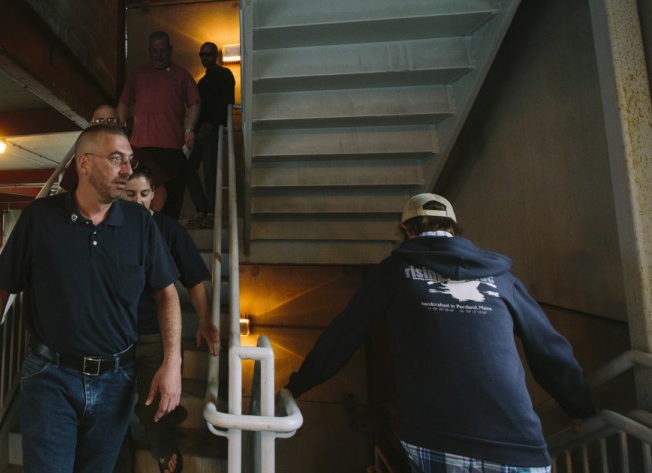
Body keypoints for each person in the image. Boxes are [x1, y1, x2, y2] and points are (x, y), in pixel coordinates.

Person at [284, 193, 595, 472]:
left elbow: (344, 335)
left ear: (406, 230)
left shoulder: (393, 273)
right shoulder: (502, 279)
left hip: (434, 437)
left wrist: (298, 385)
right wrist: (578, 408)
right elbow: (547, 347)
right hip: (516, 443)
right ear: (454, 228)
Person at [0, 125, 184, 473]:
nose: (127, 170)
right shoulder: (40, 218)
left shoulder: (141, 223)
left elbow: (167, 294)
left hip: (117, 381)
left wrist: (173, 363)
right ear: (83, 163)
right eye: (116, 159)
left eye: (129, 160)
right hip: (50, 377)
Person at [116, 168, 220, 473]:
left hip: (153, 336)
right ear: (119, 195)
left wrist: (204, 320)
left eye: (144, 194)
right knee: (109, 408)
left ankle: (163, 446)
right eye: (130, 194)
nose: (138, 201)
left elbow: (195, 280)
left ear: (154, 196)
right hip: (113, 336)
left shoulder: (169, 230)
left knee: (153, 403)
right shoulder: (107, 229)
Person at [118, 31, 201, 220]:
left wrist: (189, 129)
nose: (159, 54)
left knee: (172, 198)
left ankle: (166, 238)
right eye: (155, 51)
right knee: (140, 195)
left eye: (163, 50)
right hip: (142, 149)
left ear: (170, 50)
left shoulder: (181, 75)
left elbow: (195, 104)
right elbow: (123, 103)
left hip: (172, 149)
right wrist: (121, 130)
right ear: (149, 51)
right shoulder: (138, 74)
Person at [59, 104, 169, 212]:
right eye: (99, 121)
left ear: (120, 125)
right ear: (92, 125)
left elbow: (160, 191)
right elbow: (65, 192)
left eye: (112, 120)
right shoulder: (83, 157)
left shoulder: (137, 153)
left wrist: (147, 220)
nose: (106, 124)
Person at [186, 42, 235, 229]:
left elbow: (226, 102)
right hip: (200, 131)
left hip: (212, 130)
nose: (205, 57)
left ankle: (211, 212)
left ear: (216, 55)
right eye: (202, 54)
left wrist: (212, 124)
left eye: (208, 54)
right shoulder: (202, 81)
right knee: (189, 168)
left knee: (210, 171)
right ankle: (204, 210)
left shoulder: (223, 74)